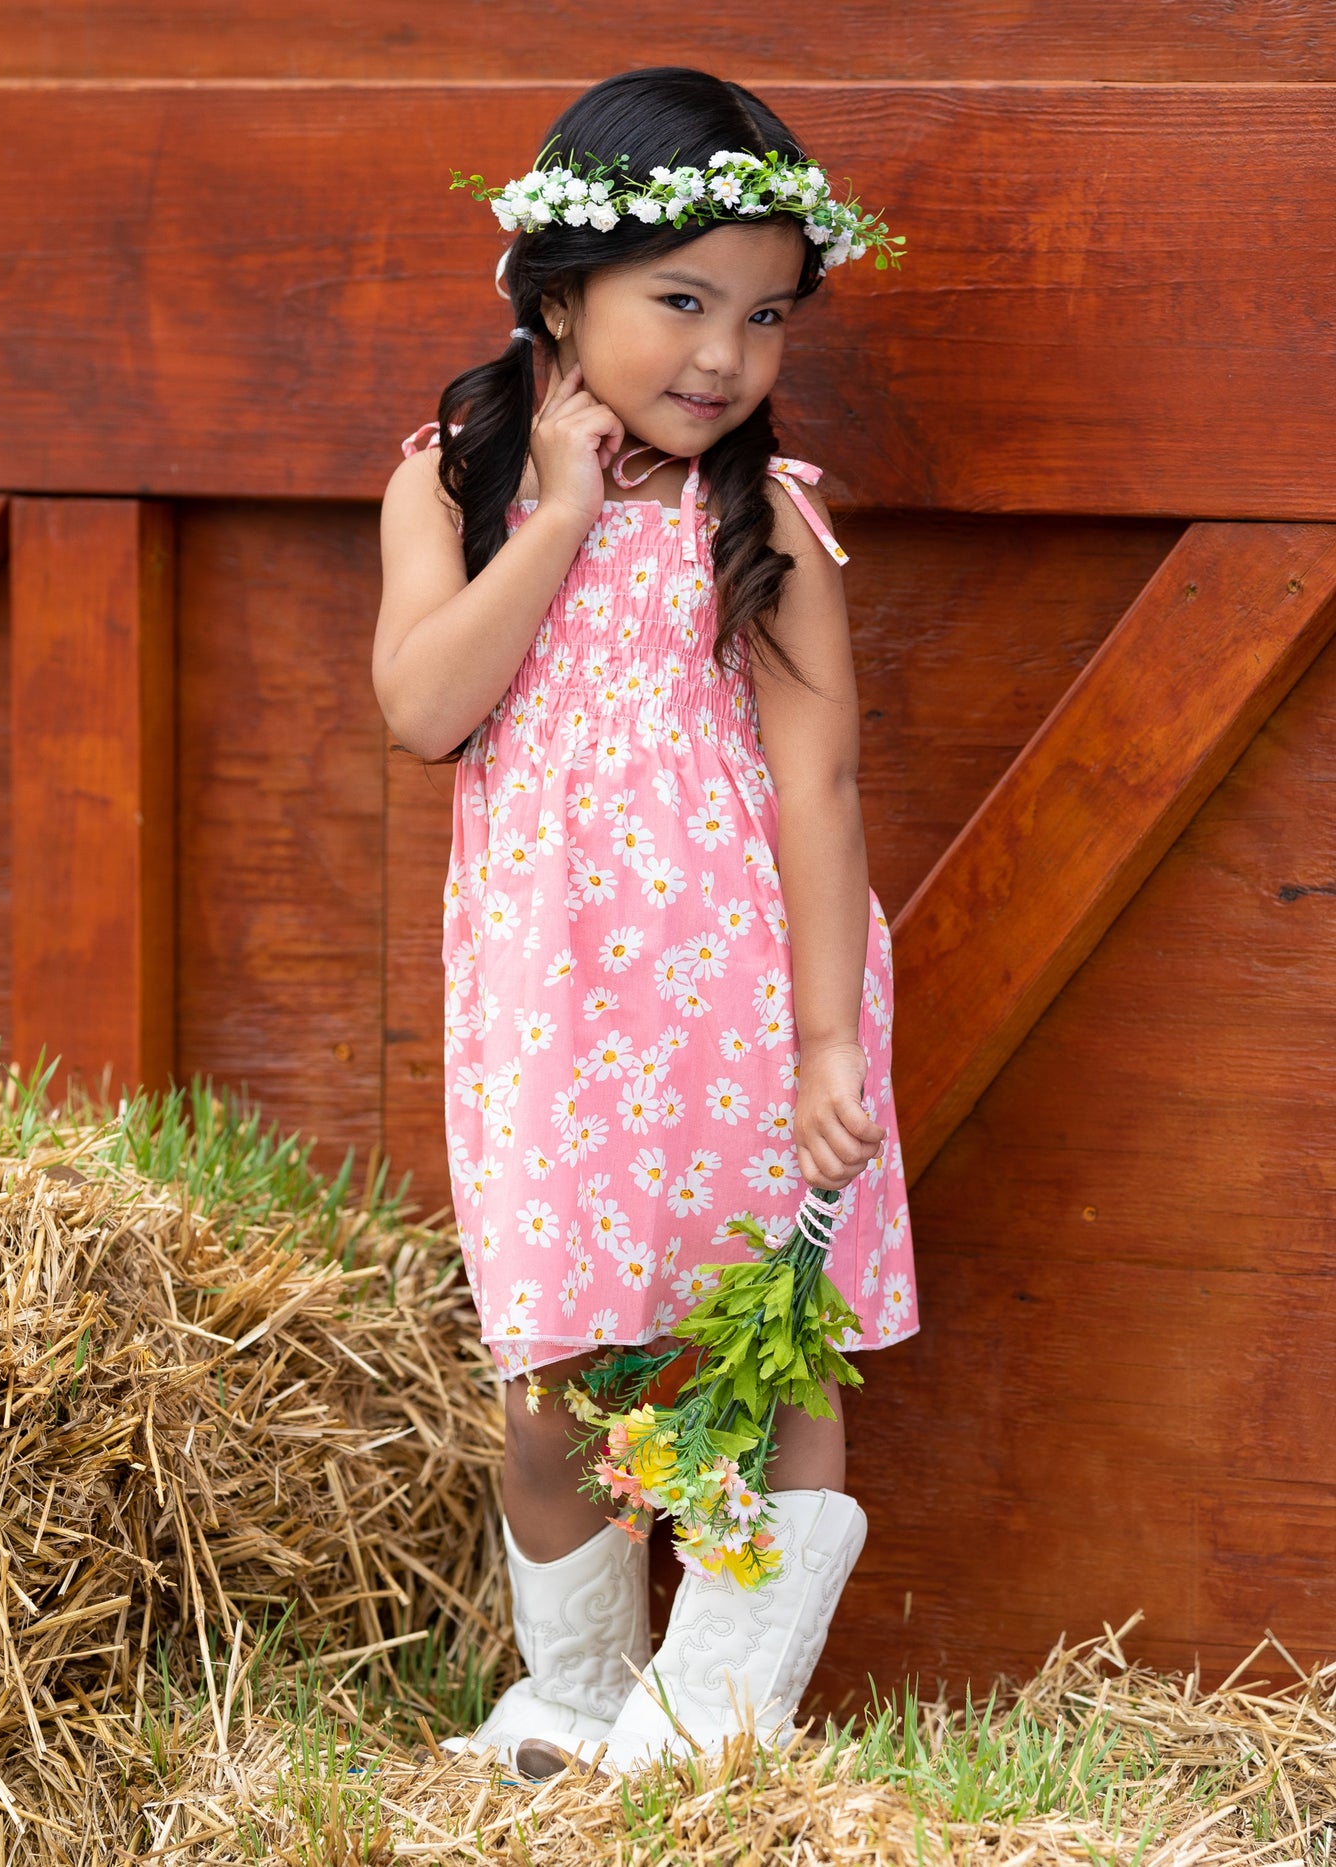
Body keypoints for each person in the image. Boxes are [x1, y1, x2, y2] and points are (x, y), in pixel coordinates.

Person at [373, 65, 917, 1776]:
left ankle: (710, 1733)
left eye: (762, 317)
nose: (722, 357)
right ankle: (578, 1701)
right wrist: (547, 508)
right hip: (548, 1006)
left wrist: (832, 1039)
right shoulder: (448, 491)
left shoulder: (764, 522)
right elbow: (425, 707)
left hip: (744, 1003)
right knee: (557, 1371)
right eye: (681, 302)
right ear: (556, 293)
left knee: (756, 1358)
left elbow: (819, 789)